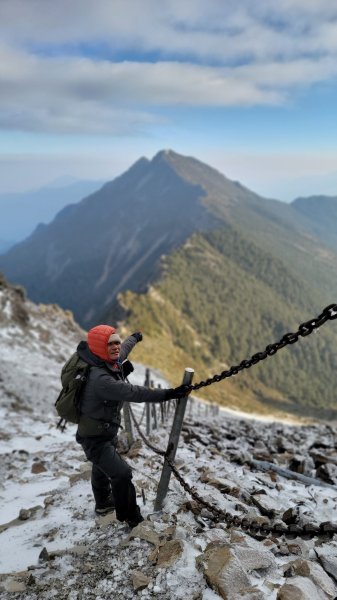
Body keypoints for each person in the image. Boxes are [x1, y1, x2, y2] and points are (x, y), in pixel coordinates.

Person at [75, 324, 190, 528]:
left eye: (117, 342)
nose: (116, 347)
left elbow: (124, 349)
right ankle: (131, 517)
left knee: (102, 468)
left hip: (104, 430)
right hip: (94, 438)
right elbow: (135, 393)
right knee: (122, 473)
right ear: (100, 347)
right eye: (110, 344)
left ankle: (102, 504)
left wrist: (134, 338)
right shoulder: (100, 379)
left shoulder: (107, 360)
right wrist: (169, 394)